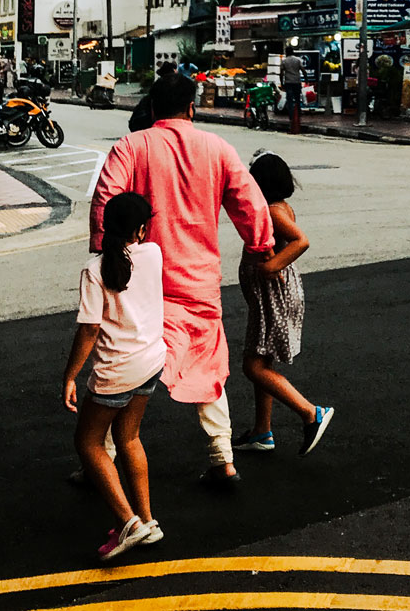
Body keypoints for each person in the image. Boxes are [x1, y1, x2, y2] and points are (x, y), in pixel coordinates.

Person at [89, 72, 274, 486]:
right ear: (192, 107)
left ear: (152, 108)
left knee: (127, 363)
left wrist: (106, 248)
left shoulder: (131, 147)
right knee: (209, 367)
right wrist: (260, 246)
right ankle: (223, 458)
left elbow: (106, 198)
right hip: (199, 280)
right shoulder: (218, 148)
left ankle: (106, 456)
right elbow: (251, 202)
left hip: (140, 280)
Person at [63, 192, 165, 561]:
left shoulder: (95, 270)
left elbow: (88, 331)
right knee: (129, 438)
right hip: (152, 361)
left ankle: (129, 523)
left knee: (88, 444)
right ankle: (148, 520)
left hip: (116, 371)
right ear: (140, 230)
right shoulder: (153, 254)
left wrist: (70, 376)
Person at [233, 152, 333, 456]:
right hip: (269, 297)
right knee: (263, 361)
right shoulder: (276, 208)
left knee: (253, 366)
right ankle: (262, 432)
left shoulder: (275, 212)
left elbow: (301, 241)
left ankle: (310, 413)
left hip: (273, 296)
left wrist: (269, 267)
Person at [279, 46, 304, 121]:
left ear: (286, 52)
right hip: (297, 82)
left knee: (289, 100)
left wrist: (282, 83)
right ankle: (298, 114)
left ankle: (291, 116)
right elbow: (303, 70)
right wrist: (306, 79)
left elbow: (281, 73)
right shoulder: (298, 60)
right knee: (297, 99)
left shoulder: (284, 61)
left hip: (288, 82)